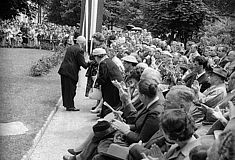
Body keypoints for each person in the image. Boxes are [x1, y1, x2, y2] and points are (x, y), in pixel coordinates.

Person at [58, 36, 90, 111]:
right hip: (70, 72)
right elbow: (83, 64)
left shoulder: (70, 48)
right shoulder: (79, 50)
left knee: (66, 89)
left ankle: (67, 104)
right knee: (71, 89)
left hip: (64, 70)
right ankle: (70, 106)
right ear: (83, 43)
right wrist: (89, 63)